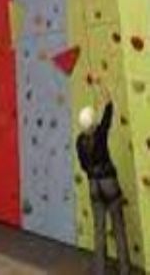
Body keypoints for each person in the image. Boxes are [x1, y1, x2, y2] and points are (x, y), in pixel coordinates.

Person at [76, 83, 130, 275]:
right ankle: (124, 270)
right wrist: (102, 87)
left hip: (93, 185)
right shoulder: (100, 133)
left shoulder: (80, 141)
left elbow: (83, 167)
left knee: (99, 230)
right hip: (109, 183)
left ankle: (100, 271)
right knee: (118, 227)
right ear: (93, 122)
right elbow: (109, 108)